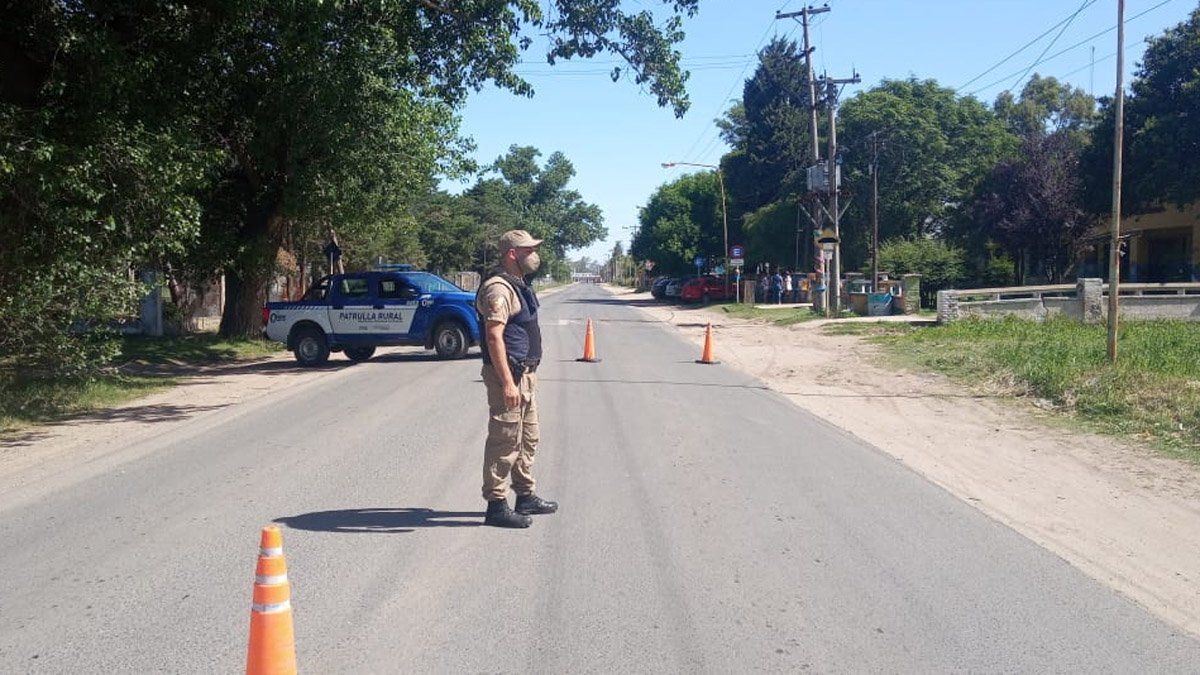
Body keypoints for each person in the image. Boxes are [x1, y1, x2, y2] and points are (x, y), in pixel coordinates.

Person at [475, 230, 559, 528]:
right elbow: (493, 336)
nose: (535, 255)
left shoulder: (518, 284)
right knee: (505, 439)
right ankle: (496, 505)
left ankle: (525, 495)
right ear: (513, 254)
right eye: (529, 250)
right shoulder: (498, 289)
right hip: (508, 377)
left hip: (525, 375)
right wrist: (508, 382)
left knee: (527, 437)